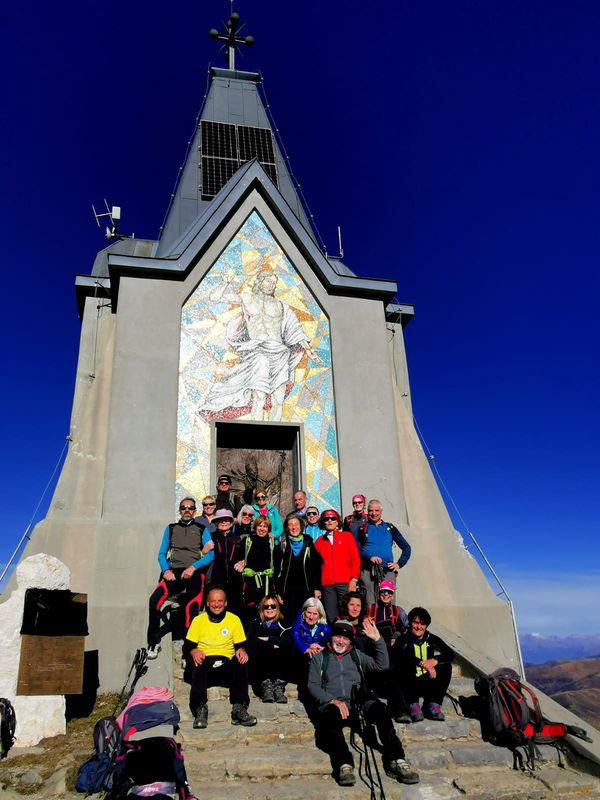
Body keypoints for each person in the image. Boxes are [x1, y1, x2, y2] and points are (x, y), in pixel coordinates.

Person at [307, 618, 419, 788]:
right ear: (332, 637)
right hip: (334, 704)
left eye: (345, 638)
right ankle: (344, 764)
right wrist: (332, 701)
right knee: (328, 723)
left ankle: (396, 759)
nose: (341, 641)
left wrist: (377, 640)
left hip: (359, 702)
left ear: (350, 641)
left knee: (381, 712)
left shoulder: (356, 655)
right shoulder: (320, 658)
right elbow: (312, 685)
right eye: (338, 636)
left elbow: (382, 666)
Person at [200, 269, 321, 422]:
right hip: (258, 353)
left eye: (274, 283)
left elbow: (294, 330)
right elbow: (214, 297)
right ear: (260, 281)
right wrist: (226, 282)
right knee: (259, 397)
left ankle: (275, 438)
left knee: (278, 400)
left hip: (280, 354)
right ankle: (257, 433)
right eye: (269, 281)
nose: (272, 285)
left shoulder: (281, 306)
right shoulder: (247, 298)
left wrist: (309, 350)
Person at [147, 497, 214, 659]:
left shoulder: (201, 528)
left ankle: (188, 652)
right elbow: (161, 553)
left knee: (191, 609)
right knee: (154, 600)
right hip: (174, 572)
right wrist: (165, 570)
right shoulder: (171, 528)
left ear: (195, 511)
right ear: (179, 510)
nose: (187, 510)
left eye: (190, 508)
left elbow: (211, 554)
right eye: (183, 507)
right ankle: (153, 642)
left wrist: (193, 567)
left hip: (194, 572)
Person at [183, 587, 257, 729]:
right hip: (205, 664)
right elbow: (187, 647)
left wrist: (241, 650)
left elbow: (241, 645)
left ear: (226, 603)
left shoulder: (234, 619)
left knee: (241, 661)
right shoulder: (198, 620)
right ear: (208, 603)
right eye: (213, 601)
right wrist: (194, 651)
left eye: (220, 601)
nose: (217, 605)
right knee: (198, 662)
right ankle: (199, 709)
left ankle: (239, 708)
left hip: (226, 664)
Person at [394, 606, 454, 722]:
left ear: (426, 626)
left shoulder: (431, 638)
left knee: (446, 666)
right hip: (410, 683)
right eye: (415, 623)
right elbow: (398, 654)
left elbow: (450, 654)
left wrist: (435, 660)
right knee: (403, 665)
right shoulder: (403, 639)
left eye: (422, 624)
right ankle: (413, 705)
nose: (419, 627)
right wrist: (422, 663)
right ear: (410, 623)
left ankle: (434, 705)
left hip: (427, 680)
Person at [358, 499, 412, 604]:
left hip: (387, 572)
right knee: (370, 605)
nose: (374, 513)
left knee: (389, 605)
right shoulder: (362, 528)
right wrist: (369, 557)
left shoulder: (390, 528)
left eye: (376, 510)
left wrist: (399, 564)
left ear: (381, 511)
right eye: (371, 511)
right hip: (367, 572)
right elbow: (356, 551)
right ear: (367, 512)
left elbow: (406, 547)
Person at [313, 510, 360, 623]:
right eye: (326, 519)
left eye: (333, 518)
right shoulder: (319, 542)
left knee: (347, 613)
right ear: (322, 522)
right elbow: (315, 567)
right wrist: (317, 588)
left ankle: (348, 638)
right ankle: (335, 639)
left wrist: (353, 579)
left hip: (345, 582)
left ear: (337, 521)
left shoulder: (346, 536)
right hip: (327, 585)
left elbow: (355, 559)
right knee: (331, 615)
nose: (329, 521)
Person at [246, 595, 293, 704]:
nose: (270, 609)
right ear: (262, 609)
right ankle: (266, 686)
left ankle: (278, 686)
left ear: (277, 608)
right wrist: (272, 645)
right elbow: (252, 641)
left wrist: (269, 639)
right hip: (262, 663)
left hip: (279, 663)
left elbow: (289, 640)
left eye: (273, 606)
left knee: (288, 650)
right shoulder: (256, 623)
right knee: (257, 650)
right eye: (266, 606)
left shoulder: (284, 623)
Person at [275, 515, 322, 623]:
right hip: (288, 592)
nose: (293, 527)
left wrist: (317, 587)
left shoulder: (308, 543)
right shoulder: (283, 545)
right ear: (286, 528)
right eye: (290, 525)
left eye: (296, 524)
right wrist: (278, 592)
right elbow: (277, 571)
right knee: (290, 620)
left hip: (306, 589)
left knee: (307, 619)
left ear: (301, 527)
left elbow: (317, 568)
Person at [204, 508, 245, 617]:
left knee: (235, 613)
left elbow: (244, 557)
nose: (223, 522)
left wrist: (243, 562)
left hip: (235, 582)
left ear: (231, 523)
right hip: (215, 581)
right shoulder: (210, 537)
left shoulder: (237, 539)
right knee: (215, 612)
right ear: (216, 523)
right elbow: (202, 556)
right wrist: (203, 551)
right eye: (220, 520)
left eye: (226, 520)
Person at [242, 516, 276, 616]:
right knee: (251, 611)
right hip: (250, 582)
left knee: (266, 610)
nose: (262, 529)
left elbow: (275, 561)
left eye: (265, 526)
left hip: (266, 582)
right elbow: (240, 557)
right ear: (255, 527)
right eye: (259, 526)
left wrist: (272, 573)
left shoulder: (271, 542)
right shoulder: (248, 540)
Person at [368, 580, 409, 646]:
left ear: (392, 596)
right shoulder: (370, 609)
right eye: (383, 591)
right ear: (379, 593)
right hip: (374, 645)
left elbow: (408, 627)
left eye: (389, 592)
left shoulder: (398, 610)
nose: (386, 594)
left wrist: (397, 636)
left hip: (392, 646)